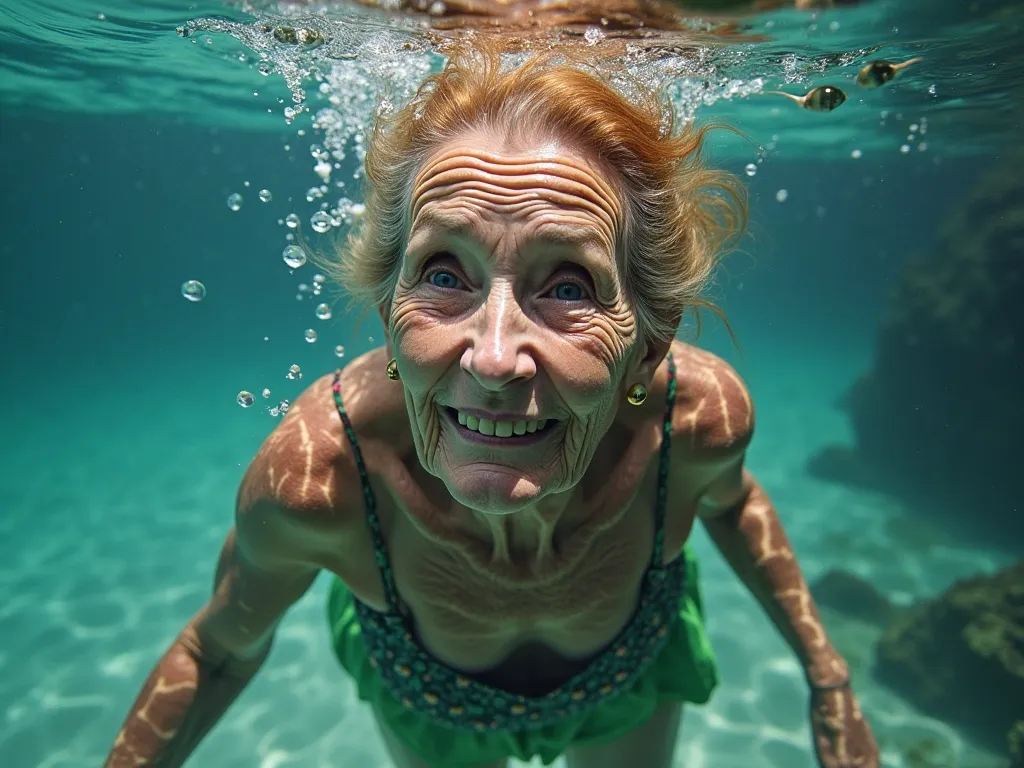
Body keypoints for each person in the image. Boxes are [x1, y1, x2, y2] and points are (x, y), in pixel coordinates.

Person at [104, 34, 878, 768]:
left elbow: (732, 503)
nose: (496, 358)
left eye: (568, 286)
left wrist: (827, 675)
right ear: (387, 315)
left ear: (650, 338)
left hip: (631, 679)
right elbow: (217, 651)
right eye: (444, 274)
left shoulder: (696, 423)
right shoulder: (316, 484)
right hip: (431, 710)